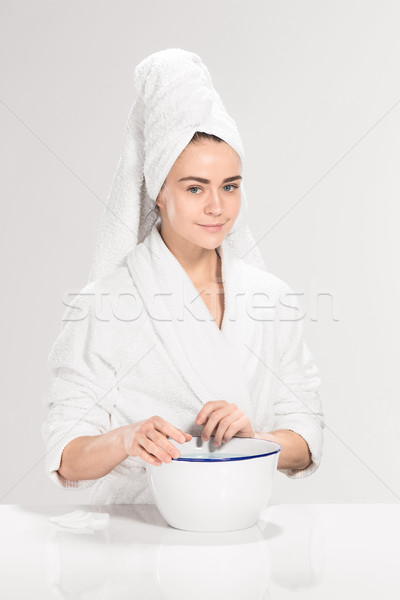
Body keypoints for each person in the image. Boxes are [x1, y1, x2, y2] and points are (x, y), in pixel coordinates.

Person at [41, 48, 325, 504]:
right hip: (133, 536)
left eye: (229, 186)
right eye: (195, 188)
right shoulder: (105, 302)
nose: (217, 207)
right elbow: (65, 453)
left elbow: (307, 433)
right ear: (157, 193)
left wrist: (258, 440)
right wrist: (123, 439)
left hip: (239, 528)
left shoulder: (271, 298)